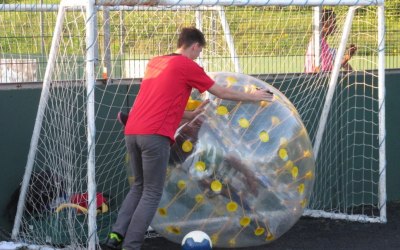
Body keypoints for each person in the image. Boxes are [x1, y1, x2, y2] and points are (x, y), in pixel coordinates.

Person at [103, 27, 273, 250]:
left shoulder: (155, 62)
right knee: (152, 192)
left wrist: (191, 115)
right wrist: (252, 96)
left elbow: (160, 104)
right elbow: (221, 92)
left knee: (139, 187)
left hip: (132, 131)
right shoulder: (187, 65)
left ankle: (115, 236)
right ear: (195, 46)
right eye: (199, 52)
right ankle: (131, 245)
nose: (198, 57)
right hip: (154, 136)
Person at [305, 9, 357, 73]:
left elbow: (331, 69)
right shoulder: (317, 42)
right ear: (323, 23)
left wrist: (347, 57)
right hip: (318, 81)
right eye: (333, 22)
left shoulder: (324, 44)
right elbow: (317, 69)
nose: (335, 26)